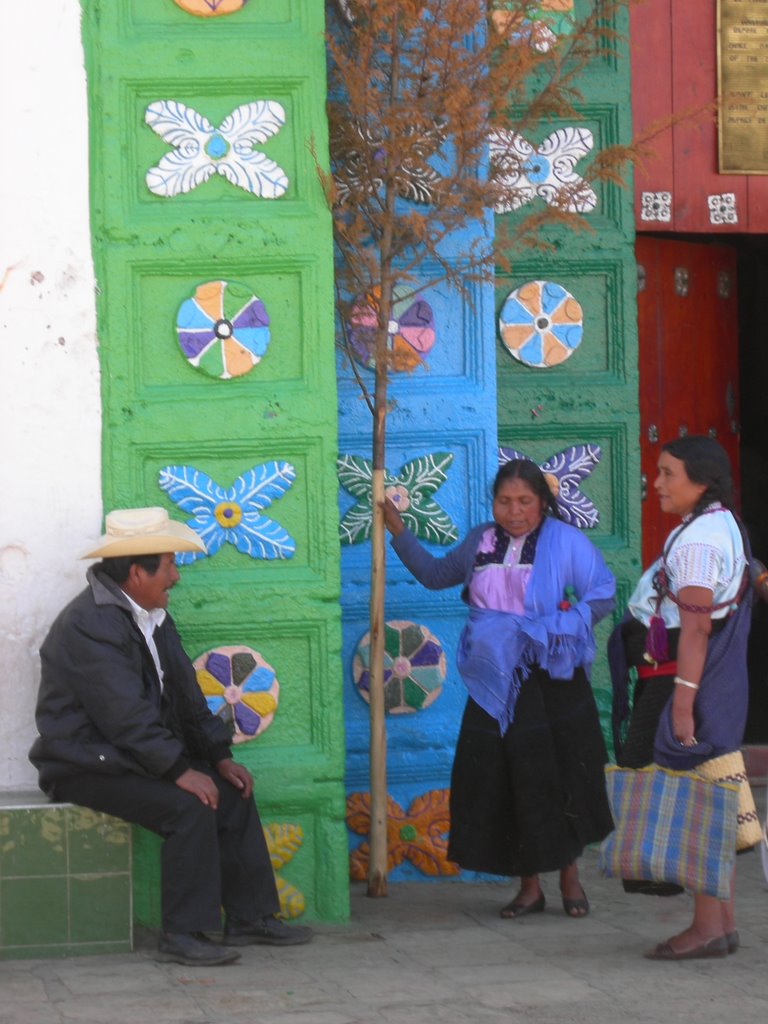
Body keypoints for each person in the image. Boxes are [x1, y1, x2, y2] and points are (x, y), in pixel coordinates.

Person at [29, 507, 312, 967]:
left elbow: (185, 696)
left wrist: (218, 757)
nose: (176, 577)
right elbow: (125, 716)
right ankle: (182, 934)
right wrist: (181, 771)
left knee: (233, 791)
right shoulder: (89, 625)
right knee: (189, 806)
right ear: (136, 572)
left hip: (130, 758)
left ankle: (249, 917)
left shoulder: (152, 616)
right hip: (82, 765)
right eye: (170, 565)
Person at [381, 459, 616, 919]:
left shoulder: (566, 542)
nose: (514, 511)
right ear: (493, 504)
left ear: (543, 503)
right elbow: (433, 575)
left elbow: (602, 594)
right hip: (494, 683)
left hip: (551, 678)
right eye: (504, 501)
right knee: (508, 779)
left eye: (525, 501)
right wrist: (397, 530)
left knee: (560, 776)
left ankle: (570, 878)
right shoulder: (480, 541)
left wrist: (551, 627)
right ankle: (529, 887)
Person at [609, 436, 752, 960]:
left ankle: (708, 927)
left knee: (692, 799)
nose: (658, 482)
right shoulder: (716, 525)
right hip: (684, 681)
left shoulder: (697, 542)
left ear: (703, 481)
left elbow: (694, 631)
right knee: (709, 791)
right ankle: (722, 921)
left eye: (669, 473)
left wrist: (683, 706)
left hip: (678, 681)